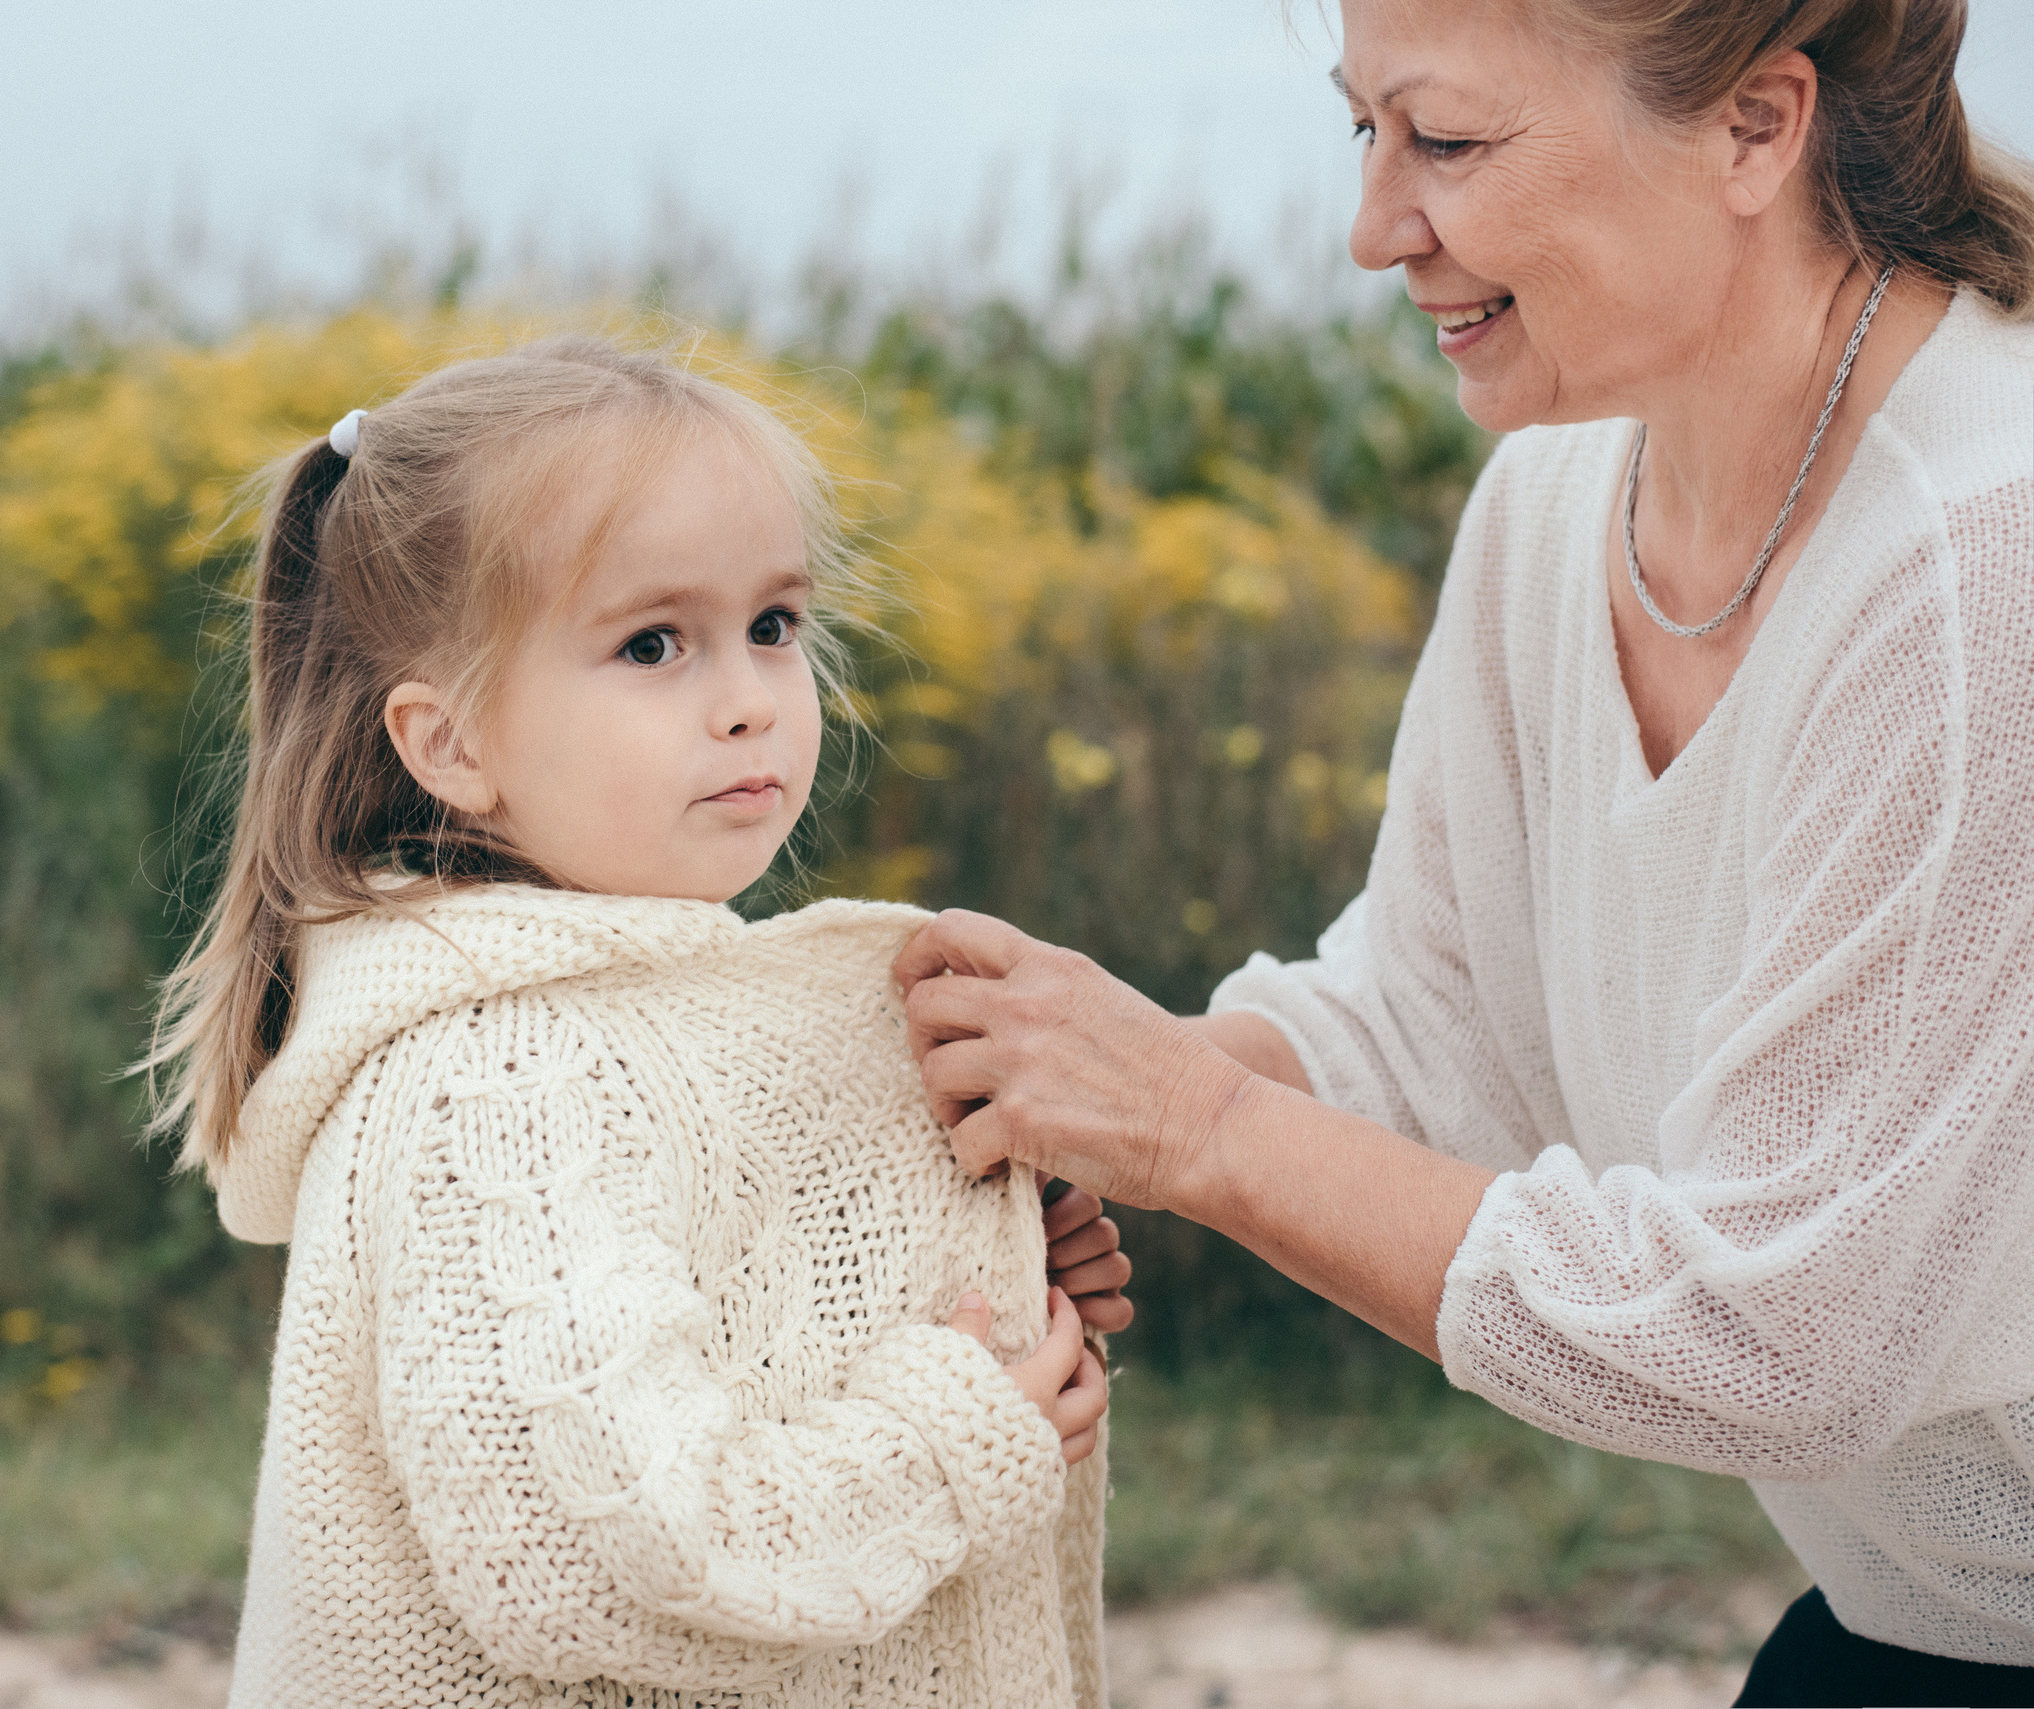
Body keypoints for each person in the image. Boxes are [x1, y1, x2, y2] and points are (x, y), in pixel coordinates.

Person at [894, 2, 2034, 1703]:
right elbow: (1439, 1011)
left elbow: (1783, 1337)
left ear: (1753, 127)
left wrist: (1200, 1126)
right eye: (1364, 132)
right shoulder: (1559, 492)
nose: (1374, 231)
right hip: (1922, 1628)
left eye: (1447, 142)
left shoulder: (1977, 566)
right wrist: (1094, 1108)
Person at [143, 337, 1129, 1708]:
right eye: (653, 643)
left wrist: (990, 1269)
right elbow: (605, 1553)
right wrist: (959, 1433)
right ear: (452, 742)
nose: (747, 700)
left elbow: (726, 1345)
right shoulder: (495, 1076)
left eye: (772, 626)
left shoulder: (631, 1018)